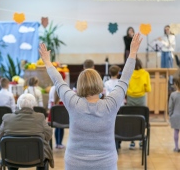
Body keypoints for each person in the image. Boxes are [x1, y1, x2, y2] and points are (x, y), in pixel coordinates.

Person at [39, 33, 142, 170]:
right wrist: (133, 53)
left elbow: (58, 81)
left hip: (75, 164)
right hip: (106, 164)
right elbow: (125, 78)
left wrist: (47, 62)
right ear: (99, 83)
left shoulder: (73, 102)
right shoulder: (111, 104)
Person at [0, 93, 54, 169]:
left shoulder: (7, 118)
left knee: (11, 151)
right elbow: (49, 135)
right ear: (33, 105)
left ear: (18, 104)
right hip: (37, 158)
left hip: (11, 157)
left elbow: (0, 135)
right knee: (42, 152)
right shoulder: (40, 117)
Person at [126, 58, 151, 149]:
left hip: (130, 98)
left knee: (131, 118)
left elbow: (125, 87)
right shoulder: (145, 74)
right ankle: (141, 140)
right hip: (141, 99)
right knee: (142, 118)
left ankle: (132, 141)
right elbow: (148, 89)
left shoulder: (128, 74)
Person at [48, 71, 65, 149]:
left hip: (54, 111)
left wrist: (49, 110)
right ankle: (59, 143)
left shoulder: (52, 88)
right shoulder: (64, 88)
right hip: (61, 111)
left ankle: (57, 143)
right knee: (61, 127)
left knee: (56, 127)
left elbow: (49, 101)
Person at [169, 74, 180, 152]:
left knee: (176, 131)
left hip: (175, 116)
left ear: (176, 85)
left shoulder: (173, 95)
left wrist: (170, 115)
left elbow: (170, 107)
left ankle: (176, 147)